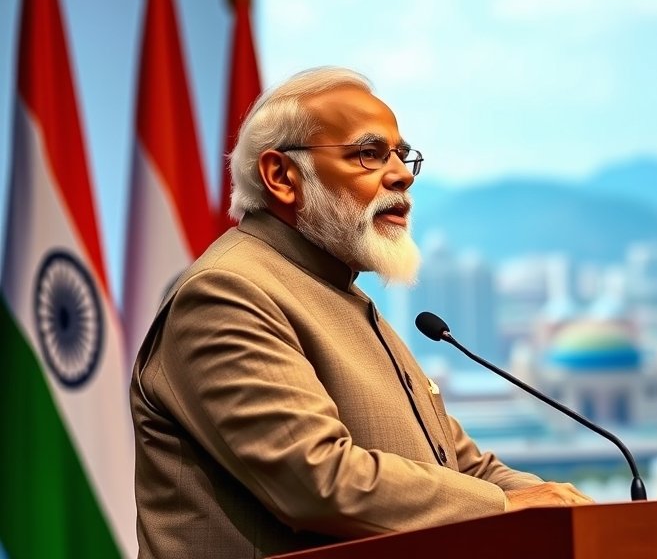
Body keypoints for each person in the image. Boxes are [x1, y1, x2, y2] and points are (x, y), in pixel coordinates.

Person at [130, 66, 592, 559]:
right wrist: (506, 509)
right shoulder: (228, 293)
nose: (400, 176)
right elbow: (316, 479)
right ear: (282, 177)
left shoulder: (344, 295)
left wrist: (576, 511)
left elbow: (460, 466)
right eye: (368, 154)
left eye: (401, 155)